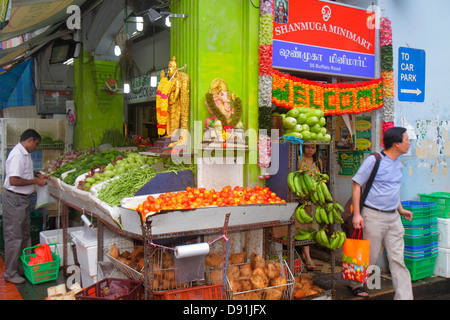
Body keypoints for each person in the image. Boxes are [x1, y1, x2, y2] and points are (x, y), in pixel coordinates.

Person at [350, 126, 414, 299]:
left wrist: (400, 209)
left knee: (398, 260)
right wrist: (357, 214)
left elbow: (393, 189)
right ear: (396, 143)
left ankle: (405, 297)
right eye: (407, 140)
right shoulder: (374, 160)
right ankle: (356, 283)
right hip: (373, 216)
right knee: (369, 258)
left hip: (394, 217)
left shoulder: (399, 163)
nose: (409, 143)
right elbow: (357, 184)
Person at [2, 129, 49, 284]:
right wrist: (36, 182)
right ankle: (10, 273)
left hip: (22, 200)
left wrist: (37, 174)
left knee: (24, 235)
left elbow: (25, 173)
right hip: (14, 200)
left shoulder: (25, 154)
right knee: (14, 237)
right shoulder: (17, 155)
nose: (36, 147)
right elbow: (14, 180)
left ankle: (23, 267)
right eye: (35, 144)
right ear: (30, 140)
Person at [298, 144, 322, 271]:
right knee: (304, 226)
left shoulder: (318, 162)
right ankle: (308, 257)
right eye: (307, 147)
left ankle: (305, 254)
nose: (310, 150)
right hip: (301, 199)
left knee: (312, 226)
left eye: (313, 147)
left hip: (314, 198)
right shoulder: (298, 160)